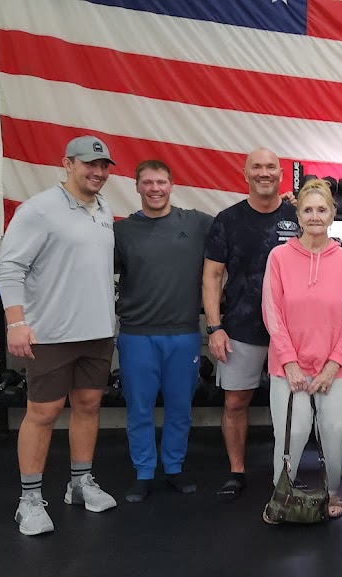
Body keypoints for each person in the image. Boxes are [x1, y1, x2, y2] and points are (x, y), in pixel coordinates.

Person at [0, 135, 119, 536]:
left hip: (97, 331)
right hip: (50, 333)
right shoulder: (39, 209)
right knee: (44, 412)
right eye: (89, 164)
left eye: (103, 166)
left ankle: (80, 484)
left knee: (88, 405)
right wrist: (16, 323)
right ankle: (29, 500)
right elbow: (10, 266)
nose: (98, 172)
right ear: (68, 163)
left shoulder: (103, 209)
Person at [262, 178, 342, 520]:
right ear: (298, 215)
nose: (315, 216)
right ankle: (283, 491)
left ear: (332, 215)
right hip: (288, 366)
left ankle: (331, 491)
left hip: (337, 367)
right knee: (292, 432)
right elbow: (272, 312)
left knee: (335, 432)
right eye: (308, 210)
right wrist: (290, 362)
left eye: (322, 210)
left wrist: (333, 366)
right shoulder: (279, 257)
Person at [203, 147, 300, 502]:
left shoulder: (297, 216)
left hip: (291, 330)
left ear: (281, 174)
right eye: (256, 167)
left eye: (270, 166)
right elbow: (213, 276)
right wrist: (215, 328)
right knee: (235, 402)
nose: (264, 172)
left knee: (293, 405)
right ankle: (237, 471)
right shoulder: (227, 220)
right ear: (245, 174)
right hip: (241, 327)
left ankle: (288, 471)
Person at [114, 160, 213, 503]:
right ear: (137, 186)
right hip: (136, 335)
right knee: (139, 409)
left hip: (183, 333)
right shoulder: (122, 231)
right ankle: (143, 472)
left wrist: (283, 204)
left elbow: (238, 227)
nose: (155, 189)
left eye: (161, 182)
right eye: (148, 183)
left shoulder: (196, 223)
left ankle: (173, 467)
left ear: (172, 185)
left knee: (180, 408)